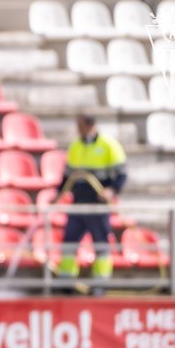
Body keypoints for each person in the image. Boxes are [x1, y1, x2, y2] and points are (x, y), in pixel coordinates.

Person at [56, 114, 127, 287]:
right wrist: (58, 195)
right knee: (69, 242)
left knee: (101, 243)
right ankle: (67, 282)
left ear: (90, 126)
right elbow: (67, 177)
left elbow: (121, 175)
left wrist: (111, 191)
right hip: (78, 204)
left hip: (98, 206)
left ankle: (100, 283)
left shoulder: (109, 145)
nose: (78, 130)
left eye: (81, 126)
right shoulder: (76, 146)